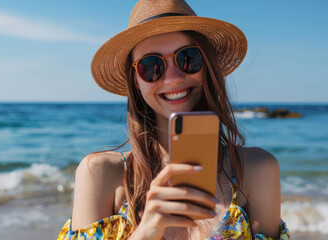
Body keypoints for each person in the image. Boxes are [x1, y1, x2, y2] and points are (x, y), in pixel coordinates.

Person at [58, 0, 290, 239]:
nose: (173, 78)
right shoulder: (102, 174)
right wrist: (146, 231)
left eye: (188, 57)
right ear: (135, 81)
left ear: (207, 65)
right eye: (151, 65)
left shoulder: (257, 170)